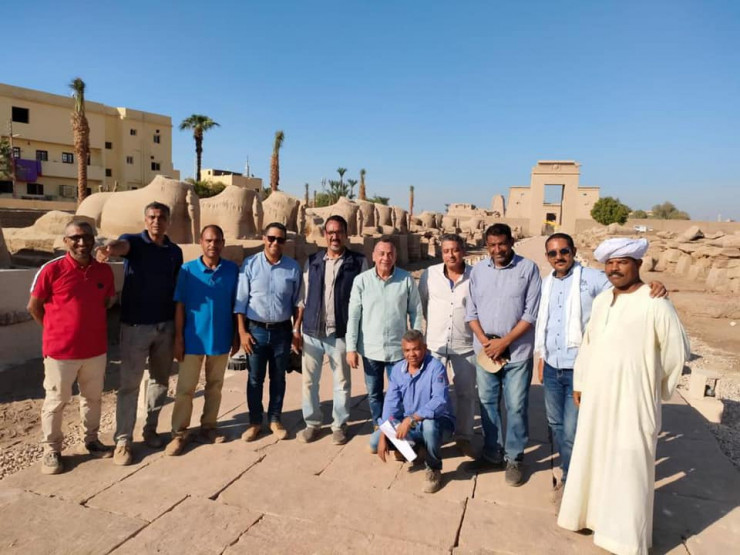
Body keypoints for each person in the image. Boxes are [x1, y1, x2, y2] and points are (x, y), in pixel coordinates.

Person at [558, 237, 690, 555]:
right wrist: (581, 382)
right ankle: (589, 518)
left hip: (633, 400)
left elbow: (676, 352)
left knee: (629, 466)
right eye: (610, 263)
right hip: (597, 398)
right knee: (594, 457)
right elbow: (589, 344)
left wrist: (651, 387)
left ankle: (624, 539)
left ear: (638, 264)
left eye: (622, 262)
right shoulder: (603, 300)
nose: (614, 268)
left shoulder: (655, 301)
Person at [534, 233, 667, 496]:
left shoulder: (593, 278)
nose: (559, 257)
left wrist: (652, 286)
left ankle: (571, 483)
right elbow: (545, 323)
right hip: (551, 365)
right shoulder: (546, 283)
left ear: (573, 251)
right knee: (556, 424)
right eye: (553, 253)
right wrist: (541, 357)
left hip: (580, 369)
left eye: (564, 251)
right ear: (547, 257)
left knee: (572, 431)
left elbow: (626, 291)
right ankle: (571, 469)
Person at [97, 202, 183, 466]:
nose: (156, 221)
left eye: (161, 217)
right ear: (145, 220)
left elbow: (177, 287)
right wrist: (109, 249)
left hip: (165, 326)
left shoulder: (174, 251)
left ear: (168, 221)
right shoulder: (133, 242)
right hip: (135, 327)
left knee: (160, 381)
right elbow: (120, 247)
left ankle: (150, 430)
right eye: (152, 217)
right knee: (129, 385)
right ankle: (123, 440)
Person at [28, 221, 116, 474]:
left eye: (86, 237)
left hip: (95, 351)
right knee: (56, 401)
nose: (81, 242)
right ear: (66, 241)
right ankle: (51, 450)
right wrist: (54, 331)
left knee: (93, 398)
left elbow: (107, 302)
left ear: (93, 240)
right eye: (75, 238)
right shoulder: (52, 270)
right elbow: (34, 307)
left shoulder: (104, 272)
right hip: (60, 353)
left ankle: (92, 440)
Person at [465, 223, 541, 486]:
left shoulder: (528, 269)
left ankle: (514, 458)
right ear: (487, 246)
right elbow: (471, 312)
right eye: (492, 245)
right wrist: (487, 343)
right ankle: (492, 452)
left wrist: (504, 342)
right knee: (487, 403)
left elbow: (530, 314)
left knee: (516, 406)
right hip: (486, 351)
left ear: (511, 242)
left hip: (516, 352)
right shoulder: (478, 271)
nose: (497, 250)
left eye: (502, 244)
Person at [164, 225, 239, 456]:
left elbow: (236, 305)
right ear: (201, 242)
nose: (212, 245)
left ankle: (209, 426)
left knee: (215, 387)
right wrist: (178, 338)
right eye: (208, 240)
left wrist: (236, 335)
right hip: (192, 338)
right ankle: (179, 433)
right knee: (185, 389)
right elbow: (180, 305)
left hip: (221, 337)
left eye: (217, 241)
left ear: (223, 243)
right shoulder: (188, 270)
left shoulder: (232, 270)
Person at [346, 237, 423, 452]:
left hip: (398, 351)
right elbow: (354, 316)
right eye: (381, 253)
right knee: (374, 393)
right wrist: (351, 348)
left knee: (401, 394)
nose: (385, 258)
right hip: (371, 349)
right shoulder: (361, 281)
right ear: (373, 256)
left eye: (390, 254)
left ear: (395, 256)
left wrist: (417, 344)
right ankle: (379, 428)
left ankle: (400, 431)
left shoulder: (405, 279)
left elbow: (416, 312)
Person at [298, 216, 367, 445]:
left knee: (341, 383)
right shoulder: (313, 261)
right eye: (330, 232)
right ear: (325, 235)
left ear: (346, 234)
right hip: (312, 332)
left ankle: (339, 425)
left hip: (340, 333)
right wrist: (296, 330)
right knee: (309, 382)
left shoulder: (358, 262)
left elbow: (364, 300)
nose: (334, 236)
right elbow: (303, 297)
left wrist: (357, 338)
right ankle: (312, 423)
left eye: (338, 232)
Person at [235, 222, 303, 442]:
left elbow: (298, 302)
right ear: (264, 239)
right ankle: (255, 422)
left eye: (280, 239)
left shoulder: (292, 267)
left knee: (278, 378)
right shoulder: (250, 264)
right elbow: (240, 302)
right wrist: (242, 332)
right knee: (255, 379)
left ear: (284, 242)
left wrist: (296, 330)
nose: (275, 243)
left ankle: (275, 419)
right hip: (256, 331)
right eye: (271, 238)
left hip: (282, 331)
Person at [418, 233, 476, 458]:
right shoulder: (430, 274)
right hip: (436, 344)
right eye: (446, 251)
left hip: (465, 344)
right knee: (433, 394)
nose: (451, 255)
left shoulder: (474, 275)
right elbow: (423, 304)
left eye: (455, 250)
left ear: (463, 251)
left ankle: (464, 437)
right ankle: (432, 437)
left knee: (466, 394)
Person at [377, 330, 455, 494]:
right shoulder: (397, 370)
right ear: (403, 351)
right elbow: (390, 404)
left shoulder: (436, 368)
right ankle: (418, 449)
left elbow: (439, 401)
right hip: (412, 424)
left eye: (416, 349)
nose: (411, 354)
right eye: (407, 350)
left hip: (439, 424)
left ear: (425, 348)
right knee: (374, 442)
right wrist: (384, 434)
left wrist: (410, 419)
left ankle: (433, 468)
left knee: (429, 425)